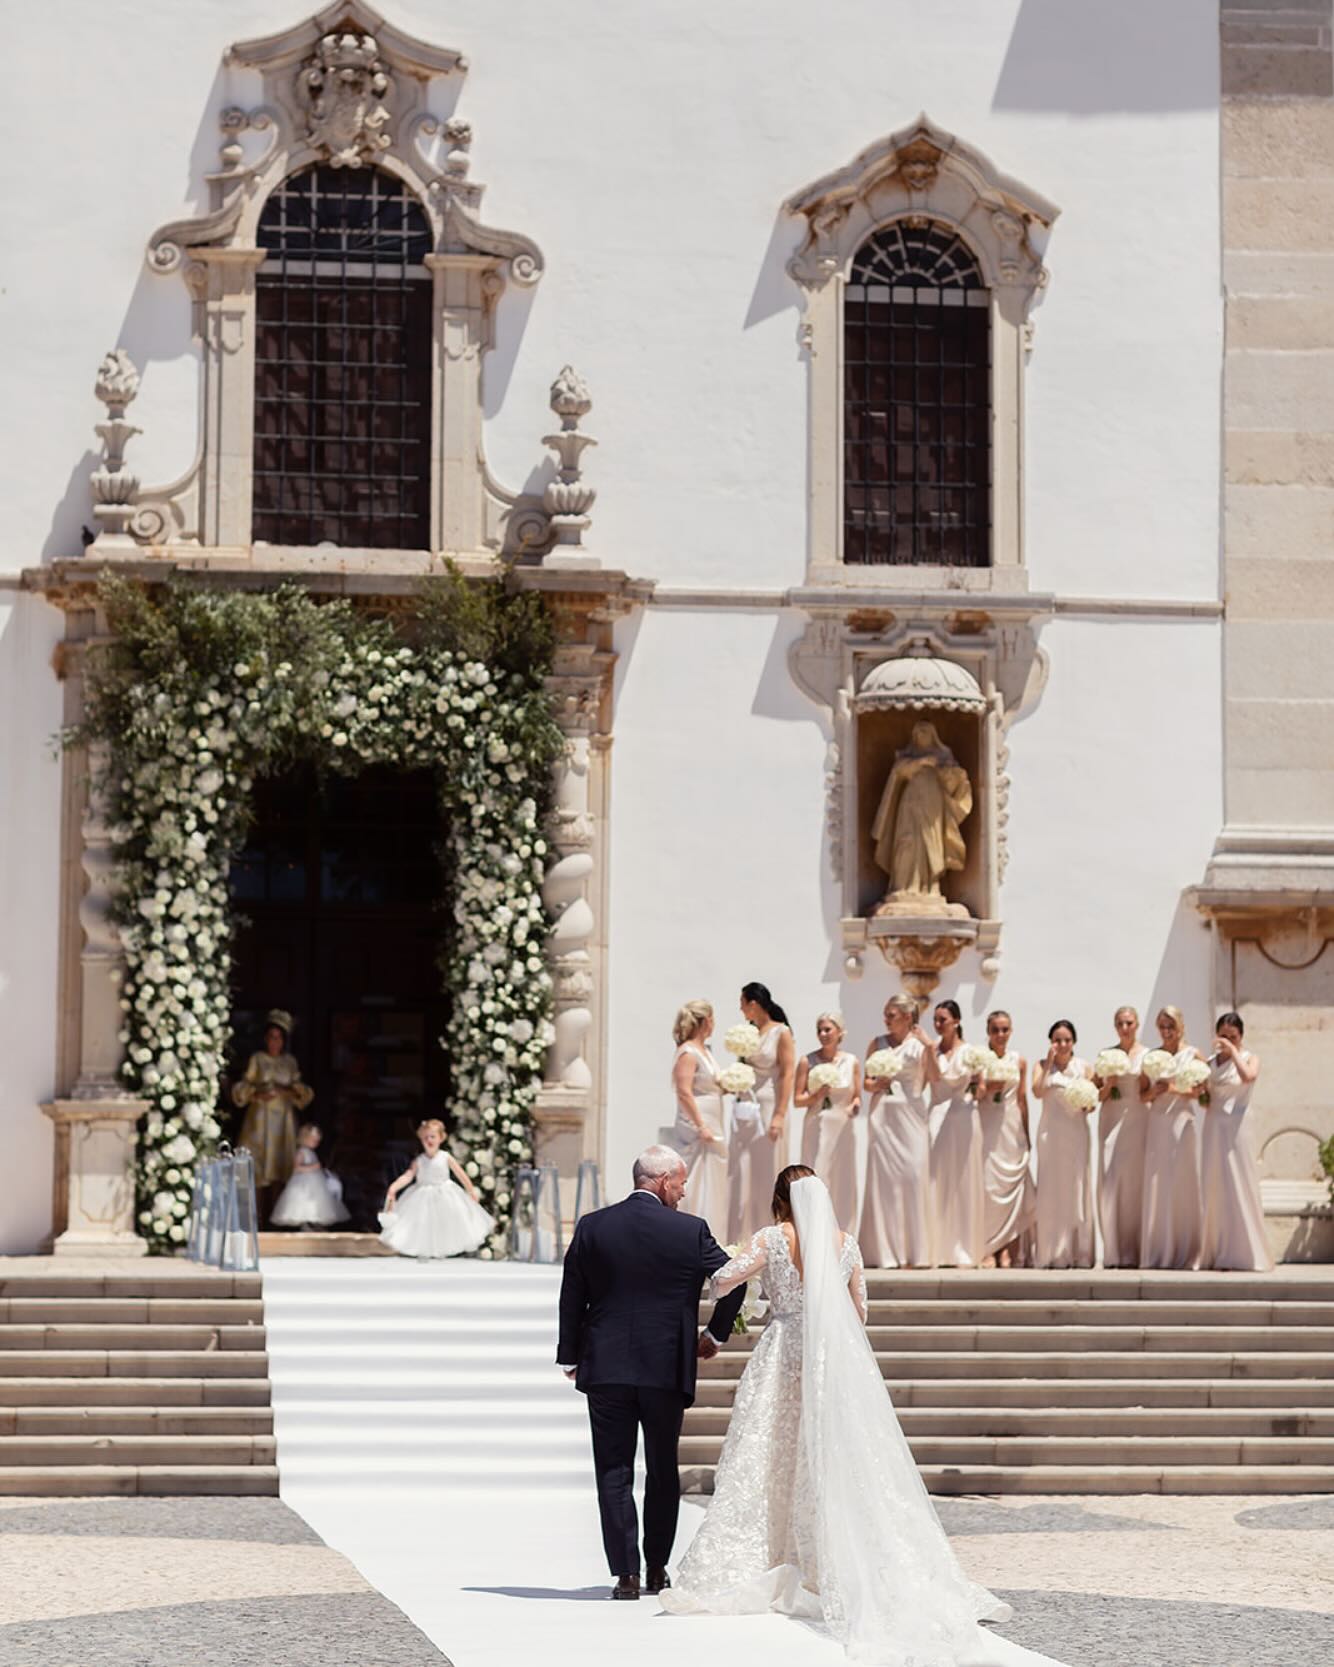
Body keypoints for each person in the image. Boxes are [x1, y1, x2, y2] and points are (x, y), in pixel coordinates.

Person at [661, 1167, 1065, 1667]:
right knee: (833, 1453)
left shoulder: (771, 1238)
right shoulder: (846, 1244)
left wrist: (739, 1269)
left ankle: (775, 1556)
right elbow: (860, 1312)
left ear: (779, 1199)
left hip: (783, 1352)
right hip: (832, 1357)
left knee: (771, 1449)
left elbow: (722, 1282)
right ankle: (827, 1558)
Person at [556, 1146, 746, 1601]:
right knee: (662, 1468)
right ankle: (658, 1568)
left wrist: (570, 1354)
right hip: (665, 1366)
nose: (683, 1191)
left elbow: (571, 1293)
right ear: (661, 1181)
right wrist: (714, 1336)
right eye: (679, 1182)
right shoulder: (690, 1230)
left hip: (605, 1368)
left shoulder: (592, 1225)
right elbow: (733, 1281)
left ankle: (625, 1574)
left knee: (613, 1470)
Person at [858, 993, 932, 1268]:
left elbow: (930, 1079)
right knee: (884, 1183)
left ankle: (915, 1252)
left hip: (911, 1117)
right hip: (882, 1117)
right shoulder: (876, 1044)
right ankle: (885, 1252)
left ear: (907, 1016)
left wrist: (929, 1046)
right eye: (885, 1014)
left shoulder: (919, 1046)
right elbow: (866, 1082)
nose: (886, 1019)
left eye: (891, 1014)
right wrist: (878, 1083)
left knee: (913, 1176)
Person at [1200, 1013, 1274, 1272]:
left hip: (1238, 1125)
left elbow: (1248, 1077)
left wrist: (1233, 1052)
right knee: (1216, 1183)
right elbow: (1205, 1095)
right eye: (1223, 1036)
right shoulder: (1209, 1063)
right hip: (1214, 1126)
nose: (1227, 1041)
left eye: (1233, 1036)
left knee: (1240, 1181)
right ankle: (1217, 1248)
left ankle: (1248, 1251)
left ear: (1241, 1036)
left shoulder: (1250, 1057)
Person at [727, 982, 795, 1242]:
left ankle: (767, 1230)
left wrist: (779, 1114)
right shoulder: (748, 1032)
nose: (740, 1009)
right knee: (741, 1169)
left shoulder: (781, 1033)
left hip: (768, 1105)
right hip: (745, 1105)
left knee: (765, 1170)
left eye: (742, 1003)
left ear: (753, 1004)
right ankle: (740, 1234)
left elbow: (788, 1073)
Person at [231, 1008, 313, 1216]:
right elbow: (244, 1086)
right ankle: (255, 1217)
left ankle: (277, 1217)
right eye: (271, 1037)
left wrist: (285, 1091)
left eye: (278, 1038)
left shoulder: (289, 1062)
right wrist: (257, 1094)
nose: (274, 1042)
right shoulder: (257, 1059)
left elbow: (300, 1090)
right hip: (259, 1119)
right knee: (257, 1169)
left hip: (282, 1120)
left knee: (280, 1166)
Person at [1140, 1005, 1204, 1271]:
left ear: (1180, 1027)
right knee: (1159, 1182)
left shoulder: (1194, 1054)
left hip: (1182, 1122)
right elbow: (1140, 1095)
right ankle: (1159, 1250)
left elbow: (1202, 1093)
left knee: (1182, 1182)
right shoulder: (1152, 1057)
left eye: (1171, 1026)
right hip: (1157, 1122)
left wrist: (1174, 1089)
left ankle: (1187, 1250)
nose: (1166, 1032)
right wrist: (1154, 1092)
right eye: (1162, 1027)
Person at [922, 1000, 984, 1267]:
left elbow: (980, 1089)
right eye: (935, 1020)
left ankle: (963, 1248)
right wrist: (929, 1050)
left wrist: (974, 1086)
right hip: (937, 1116)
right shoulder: (931, 1051)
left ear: (956, 1021)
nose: (938, 1025)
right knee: (937, 1182)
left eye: (943, 1019)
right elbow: (934, 1080)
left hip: (964, 1117)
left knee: (963, 1182)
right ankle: (937, 1249)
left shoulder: (971, 1051)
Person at [379, 1118, 495, 1259]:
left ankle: (442, 1251)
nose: (429, 1140)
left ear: (441, 1138)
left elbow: (460, 1174)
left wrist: (470, 1190)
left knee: (446, 1221)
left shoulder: (445, 1157)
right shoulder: (419, 1160)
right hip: (422, 1195)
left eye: (432, 1136)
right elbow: (408, 1176)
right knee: (423, 1223)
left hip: (445, 1194)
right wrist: (394, 1187)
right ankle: (425, 1250)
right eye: (425, 1137)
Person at [1031, 1021, 1096, 1269]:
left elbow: (1092, 1103)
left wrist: (1087, 1103)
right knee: (1052, 1186)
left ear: (1074, 1042)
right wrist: (1048, 1064)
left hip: (1076, 1133)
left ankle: (1079, 1251)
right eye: (1057, 1040)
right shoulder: (1040, 1066)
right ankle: (1052, 1250)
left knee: (1076, 1187)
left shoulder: (1084, 1067)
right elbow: (1037, 1091)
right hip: (1050, 1134)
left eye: (1067, 1039)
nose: (1062, 1044)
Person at [977, 1010, 1035, 1268]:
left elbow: (1022, 1099)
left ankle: (1009, 1251)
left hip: (1011, 1128)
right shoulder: (979, 1058)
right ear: (988, 1032)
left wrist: (1026, 1133)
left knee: (1015, 1189)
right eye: (995, 1030)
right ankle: (988, 1247)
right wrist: (987, 1089)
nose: (1000, 1035)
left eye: (1005, 1030)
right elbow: (973, 1094)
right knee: (989, 1188)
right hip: (987, 1125)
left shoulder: (1019, 1060)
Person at [793, 1011, 861, 1231]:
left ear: (839, 1032)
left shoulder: (852, 1062)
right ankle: (815, 1229)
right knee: (818, 1173)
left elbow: (857, 1094)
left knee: (842, 1177)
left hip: (842, 1127)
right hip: (817, 1126)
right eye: (819, 1030)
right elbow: (797, 1100)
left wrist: (855, 1106)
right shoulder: (807, 1061)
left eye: (827, 1029)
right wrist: (817, 1096)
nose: (823, 1034)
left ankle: (843, 1231)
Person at [1094, 1005, 1149, 1268]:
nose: (1124, 1028)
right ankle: (1114, 1250)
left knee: (1135, 1183)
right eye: (1120, 1023)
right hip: (1112, 1116)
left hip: (1138, 1118)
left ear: (1136, 1024)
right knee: (1111, 1178)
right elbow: (1097, 1096)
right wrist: (1110, 1083)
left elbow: (1149, 1091)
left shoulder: (1148, 1055)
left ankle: (1136, 1249)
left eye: (1129, 1023)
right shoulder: (1106, 1055)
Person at [670, 1000, 727, 1227]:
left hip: (713, 1117)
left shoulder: (705, 1051)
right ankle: (688, 1224)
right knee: (695, 1174)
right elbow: (684, 1092)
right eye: (712, 1019)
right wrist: (700, 1125)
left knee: (713, 1174)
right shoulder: (688, 1052)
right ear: (705, 1021)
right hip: (699, 1120)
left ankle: (713, 1226)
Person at [268, 1122, 351, 1230]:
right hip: (304, 1183)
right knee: (305, 1202)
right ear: (305, 1138)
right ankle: (306, 1224)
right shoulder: (301, 1152)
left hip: (316, 1182)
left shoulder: (311, 1152)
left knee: (317, 1203)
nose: (316, 1143)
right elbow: (297, 1168)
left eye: (317, 1141)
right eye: (313, 1140)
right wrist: (312, 1168)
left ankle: (315, 1224)